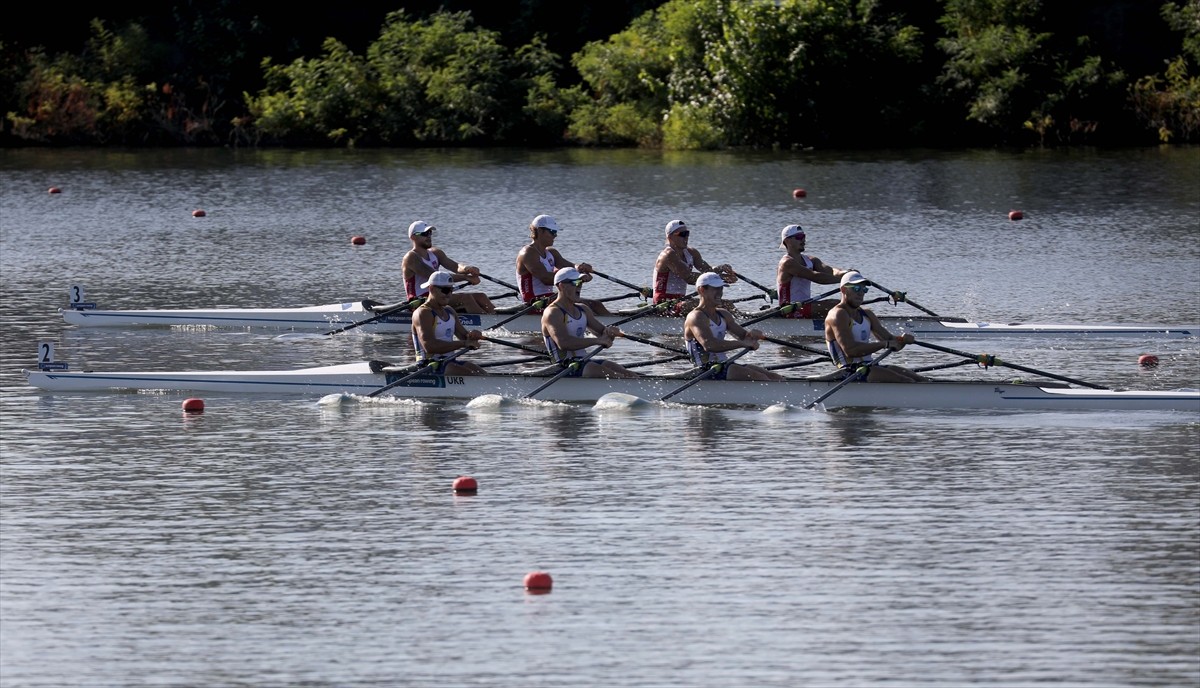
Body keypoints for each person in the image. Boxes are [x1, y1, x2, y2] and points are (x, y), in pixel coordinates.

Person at [824, 271, 928, 383]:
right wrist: (884, 344)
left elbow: (893, 344)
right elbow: (850, 350)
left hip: (869, 367)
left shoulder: (867, 314)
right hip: (850, 371)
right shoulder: (838, 314)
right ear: (844, 290)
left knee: (921, 379)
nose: (861, 293)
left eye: (864, 290)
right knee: (905, 380)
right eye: (856, 289)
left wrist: (903, 340)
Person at [541, 267, 641, 379]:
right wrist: (597, 341)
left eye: (581, 282)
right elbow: (564, 343)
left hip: (582, 362)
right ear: (561, 286)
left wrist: (610, 332)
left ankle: (638, 384)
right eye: (575, 282)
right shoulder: (552, 312)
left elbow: (605, 337)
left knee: (621, 370)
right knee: (607, 373)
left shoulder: (583, 309)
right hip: (563, 366)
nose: (579, 286)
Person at [683, 272, 784, 381]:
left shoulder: (723, 314)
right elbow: (710, 345)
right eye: (715, 289)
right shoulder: (696, 316)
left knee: (775, 377)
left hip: (723, 366)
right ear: (701, 290)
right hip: (705, 370)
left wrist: (753, 335)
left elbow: (745, 338)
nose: (720, 293)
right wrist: (742, 344)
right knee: (759, 378)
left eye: (721, 288)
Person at [516, 214, 611, 315]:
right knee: (591, 306)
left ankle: (610, 325)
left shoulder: (551, 253)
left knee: (596, 305)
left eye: (555, 232)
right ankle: (611, 328)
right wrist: (575, 278)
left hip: (550, 297)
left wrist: (580, 268)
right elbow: (546, 279)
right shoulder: (527, 253)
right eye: (552, 232)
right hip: (535, 303)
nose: (555, 235)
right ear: (540, 231)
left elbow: (570, 267)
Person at [403, 220, 495, 314]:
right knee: (466, 298)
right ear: (413, 237)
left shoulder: (436, 253)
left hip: (439, 295)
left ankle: (497, 318)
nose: (428, 236)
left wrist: (467, 268)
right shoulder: (410, 258)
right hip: (420, 302)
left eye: (430, 233)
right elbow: (435, 276)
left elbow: (456, 266)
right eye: (424, 233)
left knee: (481, 297)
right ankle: (487, 324)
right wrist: (466, 278)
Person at [410, 271, 487, 376]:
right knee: (474, 376)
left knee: (481, 374)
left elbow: (465, 337)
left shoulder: (449, 311)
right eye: (445, 290)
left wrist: (473, 336)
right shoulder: (423, 313)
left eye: (451, 290)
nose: (449, 295)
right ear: (432, 288)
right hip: (429, 366)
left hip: (449, 362)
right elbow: (430, 346)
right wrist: (464, 344)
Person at [652, 219, 737, 313]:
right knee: (713, 303)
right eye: (682, 234)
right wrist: (722, 279)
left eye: (687, 233)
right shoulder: (668, 255)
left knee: (727, 304)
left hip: (680, 300)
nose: (686, 237)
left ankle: (741, 319)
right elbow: (689, 277)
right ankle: (738, 321)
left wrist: (721, 269)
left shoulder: (692, 252)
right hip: (664, 304)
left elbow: (707, 271)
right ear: (670, 237)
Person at [776, 224, 852, 320]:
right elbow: (816, 277)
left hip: (806, 306)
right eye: (799, 237)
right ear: (787, 241)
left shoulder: (811, 260)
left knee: (845, 304)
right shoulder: (787, 263)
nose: (803, 240)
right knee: (837, 305)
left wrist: (848, 273)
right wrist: (845, 280)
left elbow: (831, 271)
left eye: (804, 236)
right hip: (790, 309)